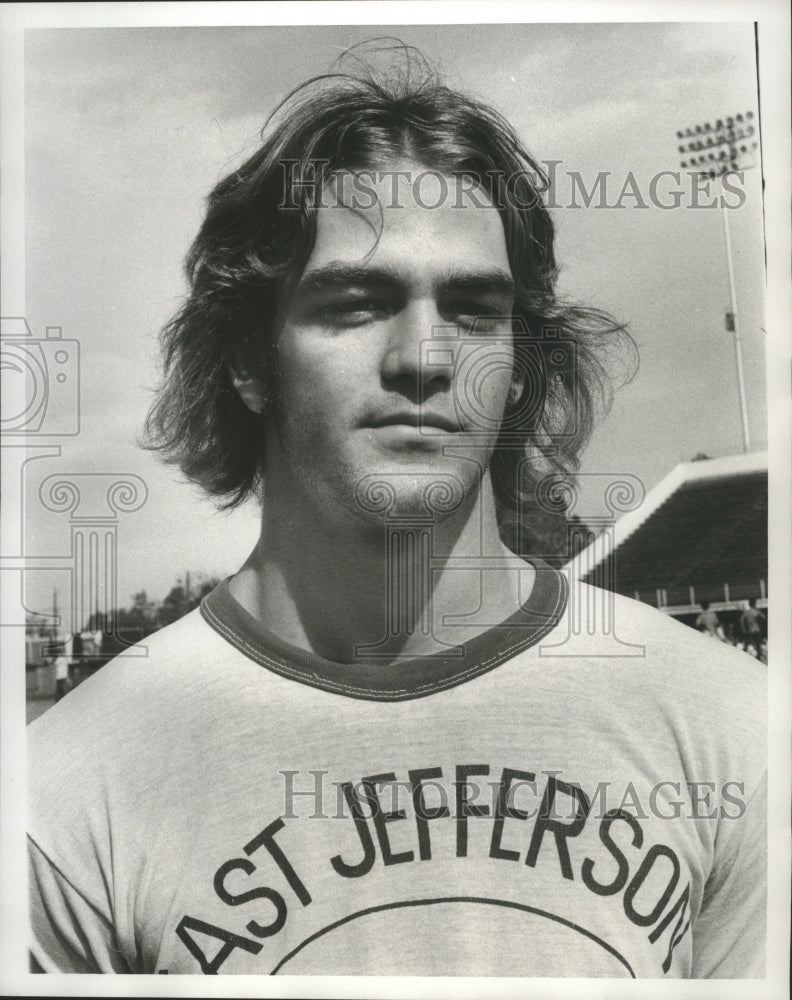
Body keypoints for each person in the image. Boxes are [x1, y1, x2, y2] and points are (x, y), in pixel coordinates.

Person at [27, 48, 766, 978]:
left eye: (473, 307)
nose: (424, 356)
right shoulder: (62, 798)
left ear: (523, 363)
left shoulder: (735, 731)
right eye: (356, 303)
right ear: (249, 360)